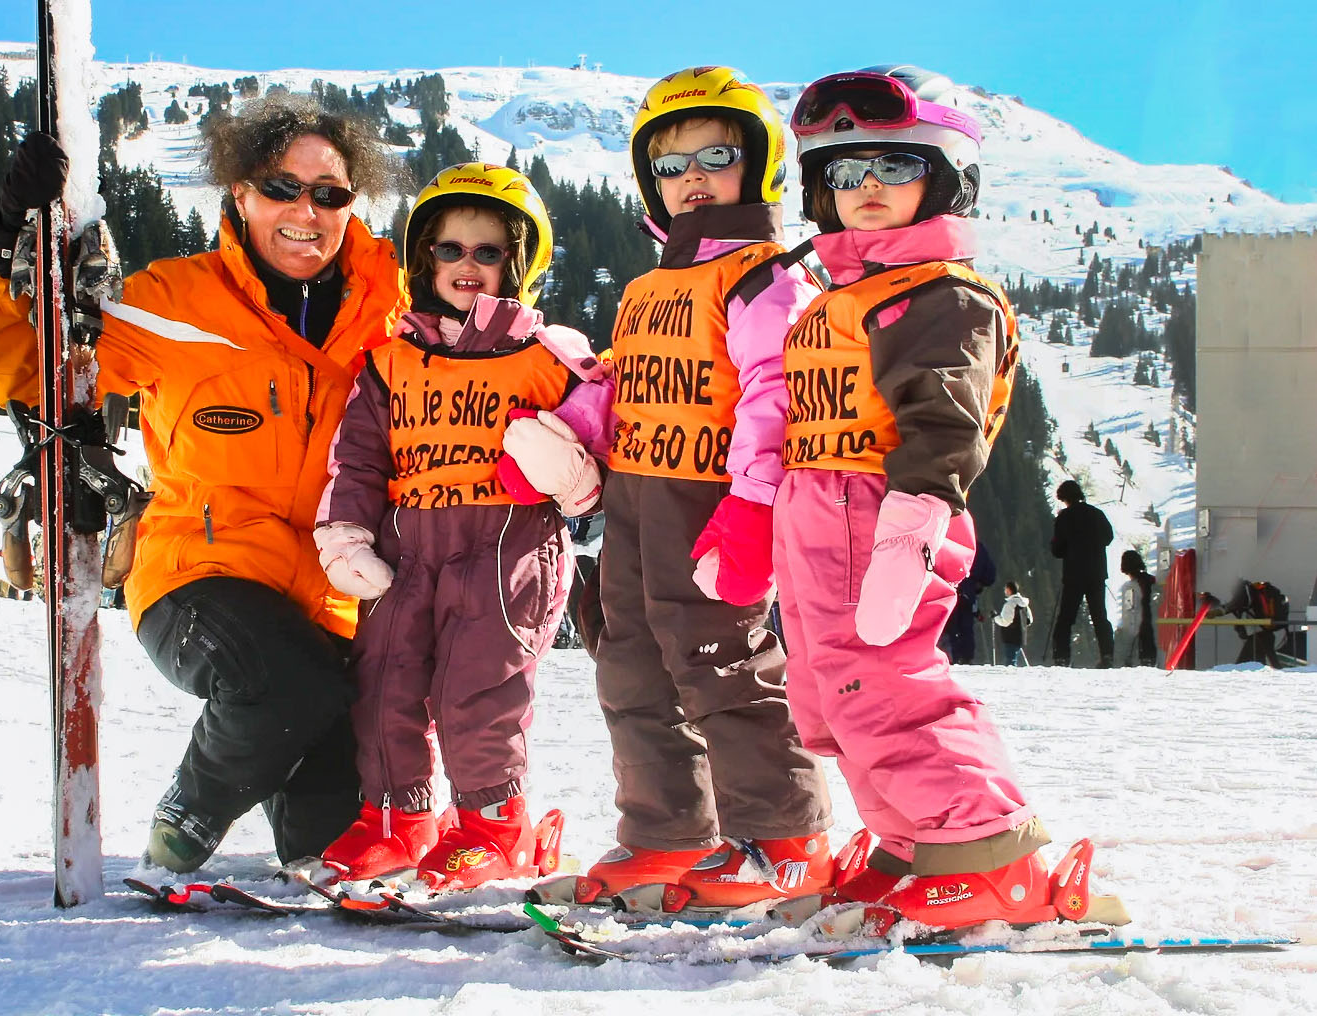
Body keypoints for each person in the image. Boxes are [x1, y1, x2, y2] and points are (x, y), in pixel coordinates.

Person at [0, 93, 407, 873]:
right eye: (281, 187)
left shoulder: (390, 314)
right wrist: (9, 248)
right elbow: (40, 367)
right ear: (239, 193)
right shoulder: (175, 303)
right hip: (198, 580)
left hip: (329, 612)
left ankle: (314, 856)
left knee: (336, 841)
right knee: (286, 686)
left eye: (329, 194)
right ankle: (183, 825)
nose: (305, 211)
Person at [766, 65, 1076, 931]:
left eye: (894, 168)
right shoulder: (843, 297)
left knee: (890, 683)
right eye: (844, 173)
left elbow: (945, 418)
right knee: (833, 693)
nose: (867, 190)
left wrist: (913, 523)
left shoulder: (940, 295)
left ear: (941, 178)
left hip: (890, 511)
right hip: (821, 518)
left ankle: (989, 852)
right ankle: (913, 840)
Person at [575, 67, 834, 911]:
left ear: (755, 164)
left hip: (710, 498)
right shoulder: (648, 286)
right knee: (632, 668)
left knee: (720, 661)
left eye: (714, 155)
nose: (691, 176)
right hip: (634, 498)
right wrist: (575, 436)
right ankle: (668, 836)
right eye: (671, 163)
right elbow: (623, 384)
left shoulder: (766, 274)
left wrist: (752, 503)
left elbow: (777, 390)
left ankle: (785, 837)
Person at [309, 163, 609, 889]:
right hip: (406, 544)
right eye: (450, 249)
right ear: (424, 260)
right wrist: (345, 534)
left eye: (487, 251)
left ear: (519, 261)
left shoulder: (552, 356)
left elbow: (607, 452)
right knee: (383, 679)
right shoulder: (390, 361)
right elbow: (356, 459)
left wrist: (574, 477)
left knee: (477, 688)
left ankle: (494, 827)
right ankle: (397, 819)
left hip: (506, 543)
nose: (467, 266)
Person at [1049, 479, 1115, 667]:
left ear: (1064, 498)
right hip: (1097, 573)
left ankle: (1061, 657)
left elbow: (1057, 550)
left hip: (1074, 574)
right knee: (1099, 616)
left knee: (1066, 618)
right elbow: (1108, 538)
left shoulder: (1064, 517)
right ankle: (1107, 655)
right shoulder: (1097, 514)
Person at [941, 539, 995, 664]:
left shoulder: (945, 540)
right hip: (968, 594)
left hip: (948, 591)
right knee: (966, 627)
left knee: (950, 627)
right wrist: (978, 584)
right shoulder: (977, 547)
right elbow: (990, 574)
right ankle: (966, 657)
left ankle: (951, 656)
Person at [1113, 550, 1157, 667]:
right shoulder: (1153, 581)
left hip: (1142, 637)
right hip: (1156, 633)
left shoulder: (1129, 588)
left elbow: (1130, 618)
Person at [993, 581, 1033, 666]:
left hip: (1010, 636)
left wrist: (995, 617)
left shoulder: (1010, 604)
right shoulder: (1024, 603)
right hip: (1020, 636)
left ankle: (1010, 677)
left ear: (1009, 590)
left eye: (1005, 589)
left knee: (1010, 660)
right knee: (1014, 658)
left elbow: (1006, 622)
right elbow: (1029, 620)